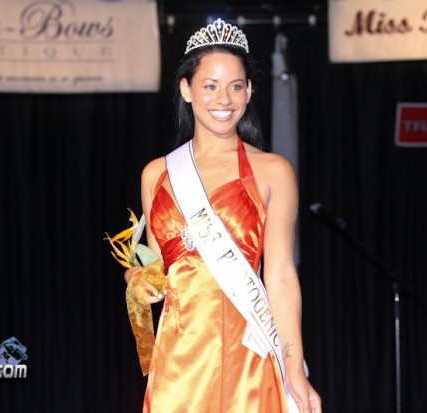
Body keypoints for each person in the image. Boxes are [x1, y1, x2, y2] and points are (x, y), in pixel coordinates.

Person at [125, 18, 321, 413]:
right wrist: (137, 280)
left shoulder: (273, 171)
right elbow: (156, 267)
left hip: (247, 353)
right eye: (210, 86)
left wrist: (294, 368)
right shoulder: (156, 175)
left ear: (249, 91)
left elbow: (281, 276)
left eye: (235, 86)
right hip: (179, 361)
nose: (224, 99)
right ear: (186, 89)